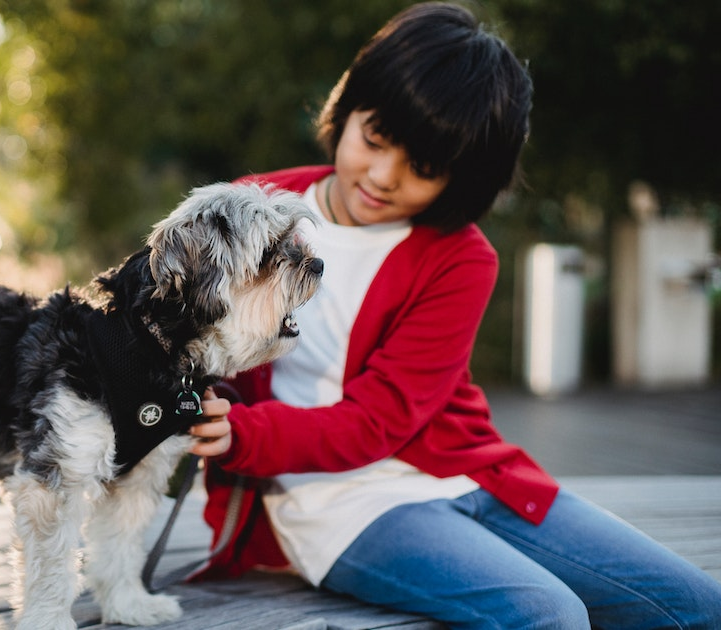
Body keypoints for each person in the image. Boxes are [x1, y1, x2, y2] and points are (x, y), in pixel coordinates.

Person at [183, 2, 721, 628]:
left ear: (464, 178)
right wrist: (223, 424)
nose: (383, 177)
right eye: (374, 140)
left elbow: (382, 418)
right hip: (328, 497)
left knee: (695, 608)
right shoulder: (252, 210)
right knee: (548, 615)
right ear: (348, 107)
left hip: (465, 473)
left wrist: (247, 433)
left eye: (425, 169)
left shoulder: (462, 258)